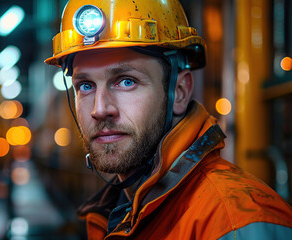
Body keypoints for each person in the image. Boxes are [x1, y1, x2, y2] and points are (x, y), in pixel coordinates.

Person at [45, 0, 292, 239]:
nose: (99, 109)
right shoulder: (113, 213)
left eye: (126, 81)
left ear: (180, 92)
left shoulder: (237, 223)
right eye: (86, 86)